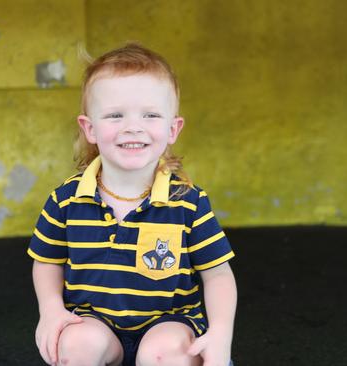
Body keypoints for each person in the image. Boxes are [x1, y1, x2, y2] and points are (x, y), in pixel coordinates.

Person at [28, 43, 237, 366]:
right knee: (74, 344)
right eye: (115, 115)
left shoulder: (189, 203)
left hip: (169, 325)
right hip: (96, 325)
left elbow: (218, 275)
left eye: (150, 115)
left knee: (168, 352)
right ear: (90, 128)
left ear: (172, 129)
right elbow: (47, 262)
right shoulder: (66, 200)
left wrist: (220, 334)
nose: (133, 126)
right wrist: (51, 310)